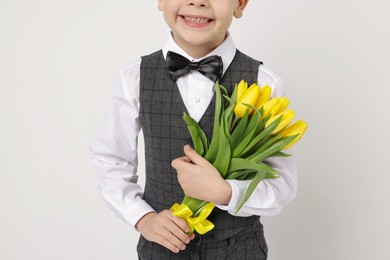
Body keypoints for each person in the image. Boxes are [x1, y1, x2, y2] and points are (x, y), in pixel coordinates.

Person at [90, 0, 297, 259]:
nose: (197, 1)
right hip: (161, 250)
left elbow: (282, 185)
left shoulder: (265, 84)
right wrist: (143, 218)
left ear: (240, 4)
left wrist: (225, 192)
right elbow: (110, 159)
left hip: (240, 250)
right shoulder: (133, 78)